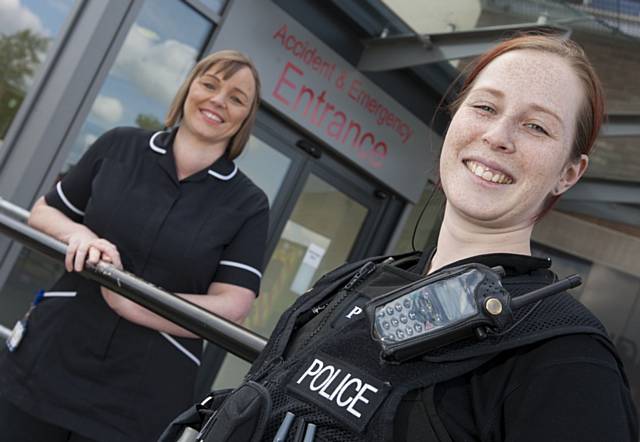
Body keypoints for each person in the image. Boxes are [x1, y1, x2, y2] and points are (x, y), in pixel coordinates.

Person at [161, 35, 638, 442]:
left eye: (536, 126)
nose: (498, 135)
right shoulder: (347, 284)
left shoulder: (565, 359)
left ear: (569, 173)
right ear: (456, 120)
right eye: (485, 106)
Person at [0, 50, 269, 441]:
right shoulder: (119, 145)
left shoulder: (248, 203)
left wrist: (135, 302)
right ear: (189, 88)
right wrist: (81, 236)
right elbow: (43, 213)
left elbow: (233, 306)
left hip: (141, 396)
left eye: (236, 98)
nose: (218, 100)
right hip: (48, 360)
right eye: (210, 84)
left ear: (245, 117)